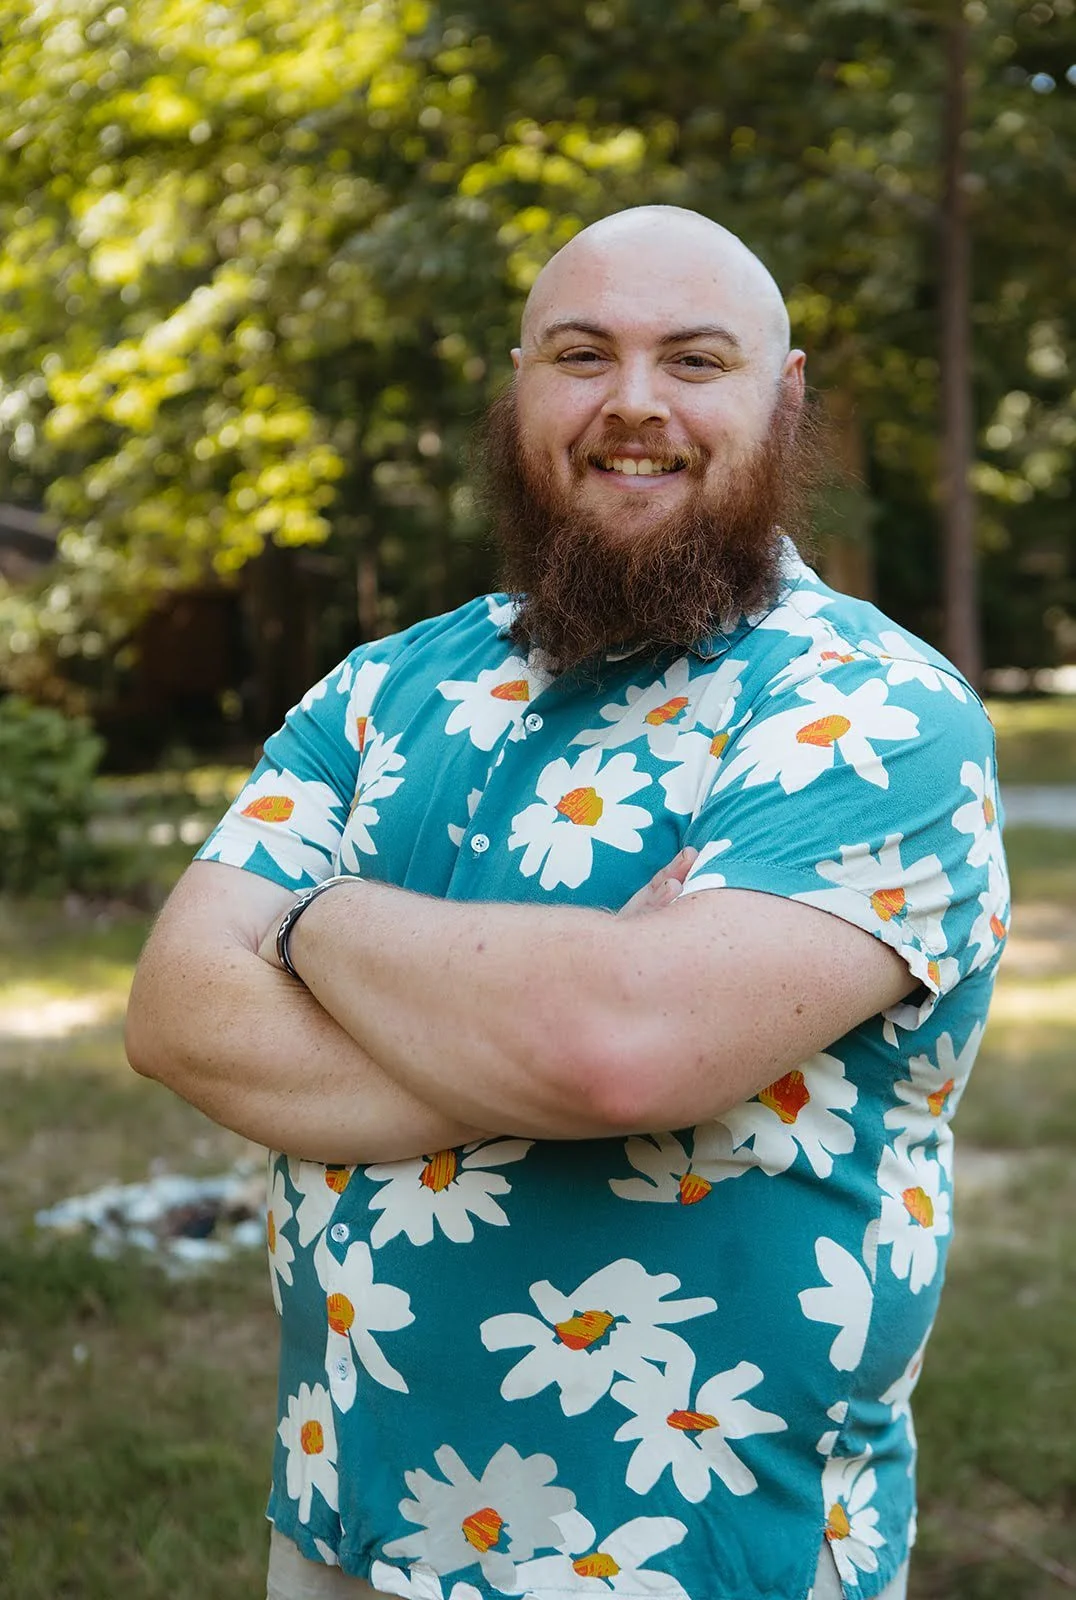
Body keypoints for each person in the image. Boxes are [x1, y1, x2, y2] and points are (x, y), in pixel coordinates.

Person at [125, 206, 1010, 1600]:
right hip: (344, 1521)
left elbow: (618, 1053)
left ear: (783, 400)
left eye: (695, 360)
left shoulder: (873, 710)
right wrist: (538, 1036)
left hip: (709, 1550)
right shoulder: (382, 688)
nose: (634, 404)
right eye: (581, 355)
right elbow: (179, 1016)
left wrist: (311, 924)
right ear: (520, 385)